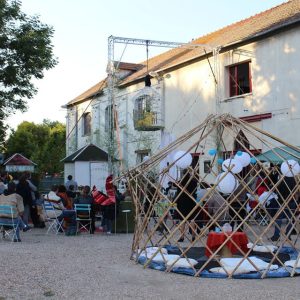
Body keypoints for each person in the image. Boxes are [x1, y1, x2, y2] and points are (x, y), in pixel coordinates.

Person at [175, 169, 199, 242]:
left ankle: (182, 237)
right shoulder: (194, 182)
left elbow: (177, 194)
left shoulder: (180, 182)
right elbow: (195, 190)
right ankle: (193, 236)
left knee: (182, 220)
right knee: (191, 220)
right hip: (191, 202)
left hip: (182, 203)